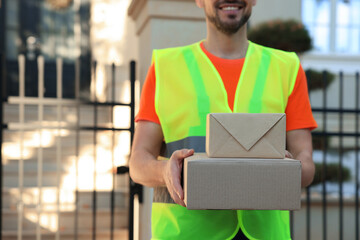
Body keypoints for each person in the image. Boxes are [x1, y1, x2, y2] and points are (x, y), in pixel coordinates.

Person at [129, 0, 317, 239]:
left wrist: (288, 171)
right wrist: (166, 170)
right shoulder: (165, 67)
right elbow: (138, 162)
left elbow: (306, 162)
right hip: (185, 233)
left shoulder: (286, 68)